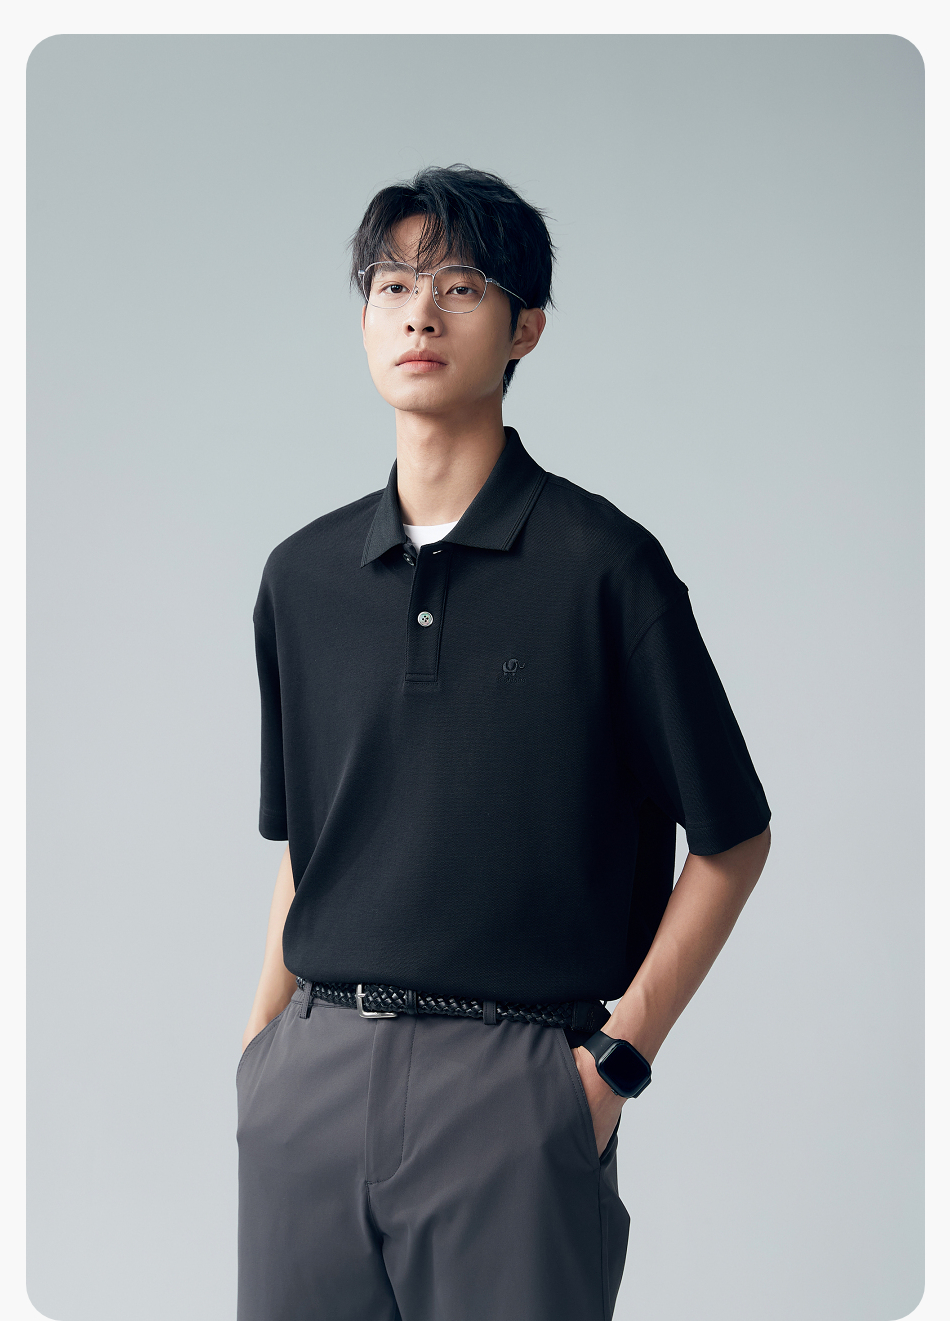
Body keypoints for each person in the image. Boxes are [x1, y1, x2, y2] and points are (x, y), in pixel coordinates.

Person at [235, 163, 771, 1321]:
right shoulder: (301, 577)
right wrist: (259, 1051)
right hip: (309, 1082)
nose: (418, 313)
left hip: (512, 1084)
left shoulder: (604, 567)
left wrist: (612, 1066)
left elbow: (733, 836)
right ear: (364, 320)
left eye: (460, 286)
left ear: (524, 327)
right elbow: (307, 848)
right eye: (390, 286)